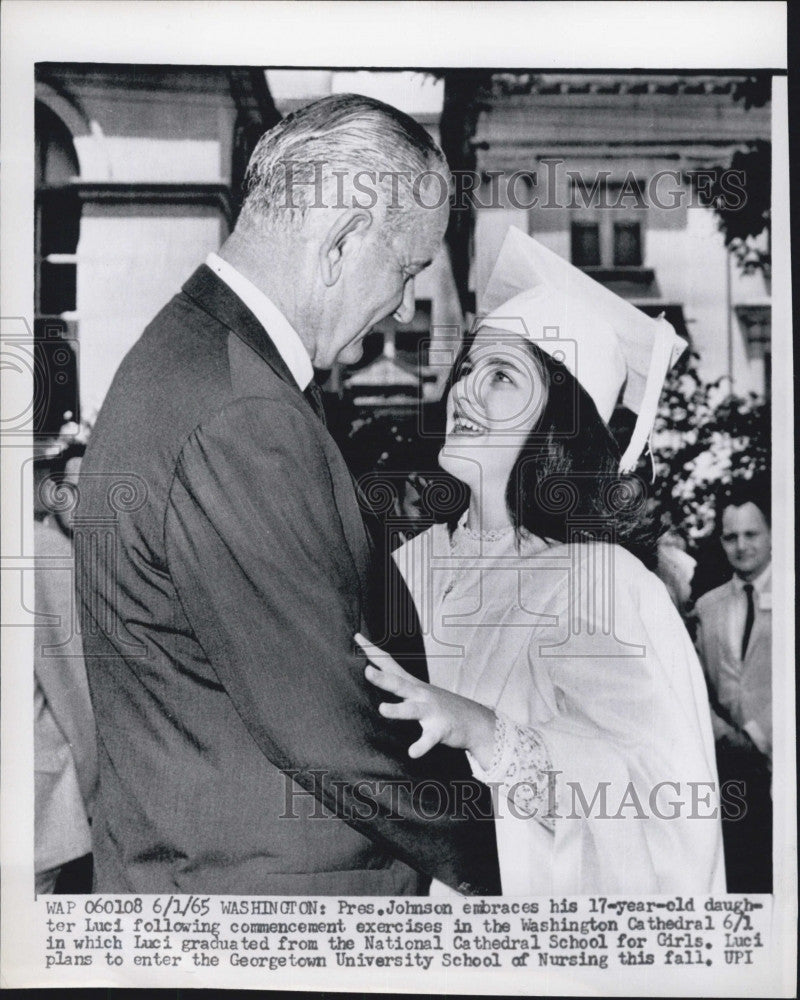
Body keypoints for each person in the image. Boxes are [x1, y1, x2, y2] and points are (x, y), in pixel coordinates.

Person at [75, 94, 499, 896]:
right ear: (341, 242)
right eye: (407, 268)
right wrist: (520, 850)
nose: (405, 304)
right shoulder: (245, 409)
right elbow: (335, 727)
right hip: (266, 913)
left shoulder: (200, 353)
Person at [361, 227, 725, 894]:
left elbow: (664, 808)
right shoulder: (406, 566)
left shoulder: (604, 585)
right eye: (467, 369)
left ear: (554, 419)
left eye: (501, 377)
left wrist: (482, 729)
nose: (463, 393)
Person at [694, 478, 772, 892]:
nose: (741, 546)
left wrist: (757, 737)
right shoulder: (707, 606)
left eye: (751, 534)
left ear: (772, 534)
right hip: (732, 771)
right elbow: (700, 685)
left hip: (781, 758)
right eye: (730, 537)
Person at [34, 444, 97, 893]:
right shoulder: (51, 555)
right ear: (55, 495)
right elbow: (74, 690)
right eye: (77, 491)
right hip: (55, 792)